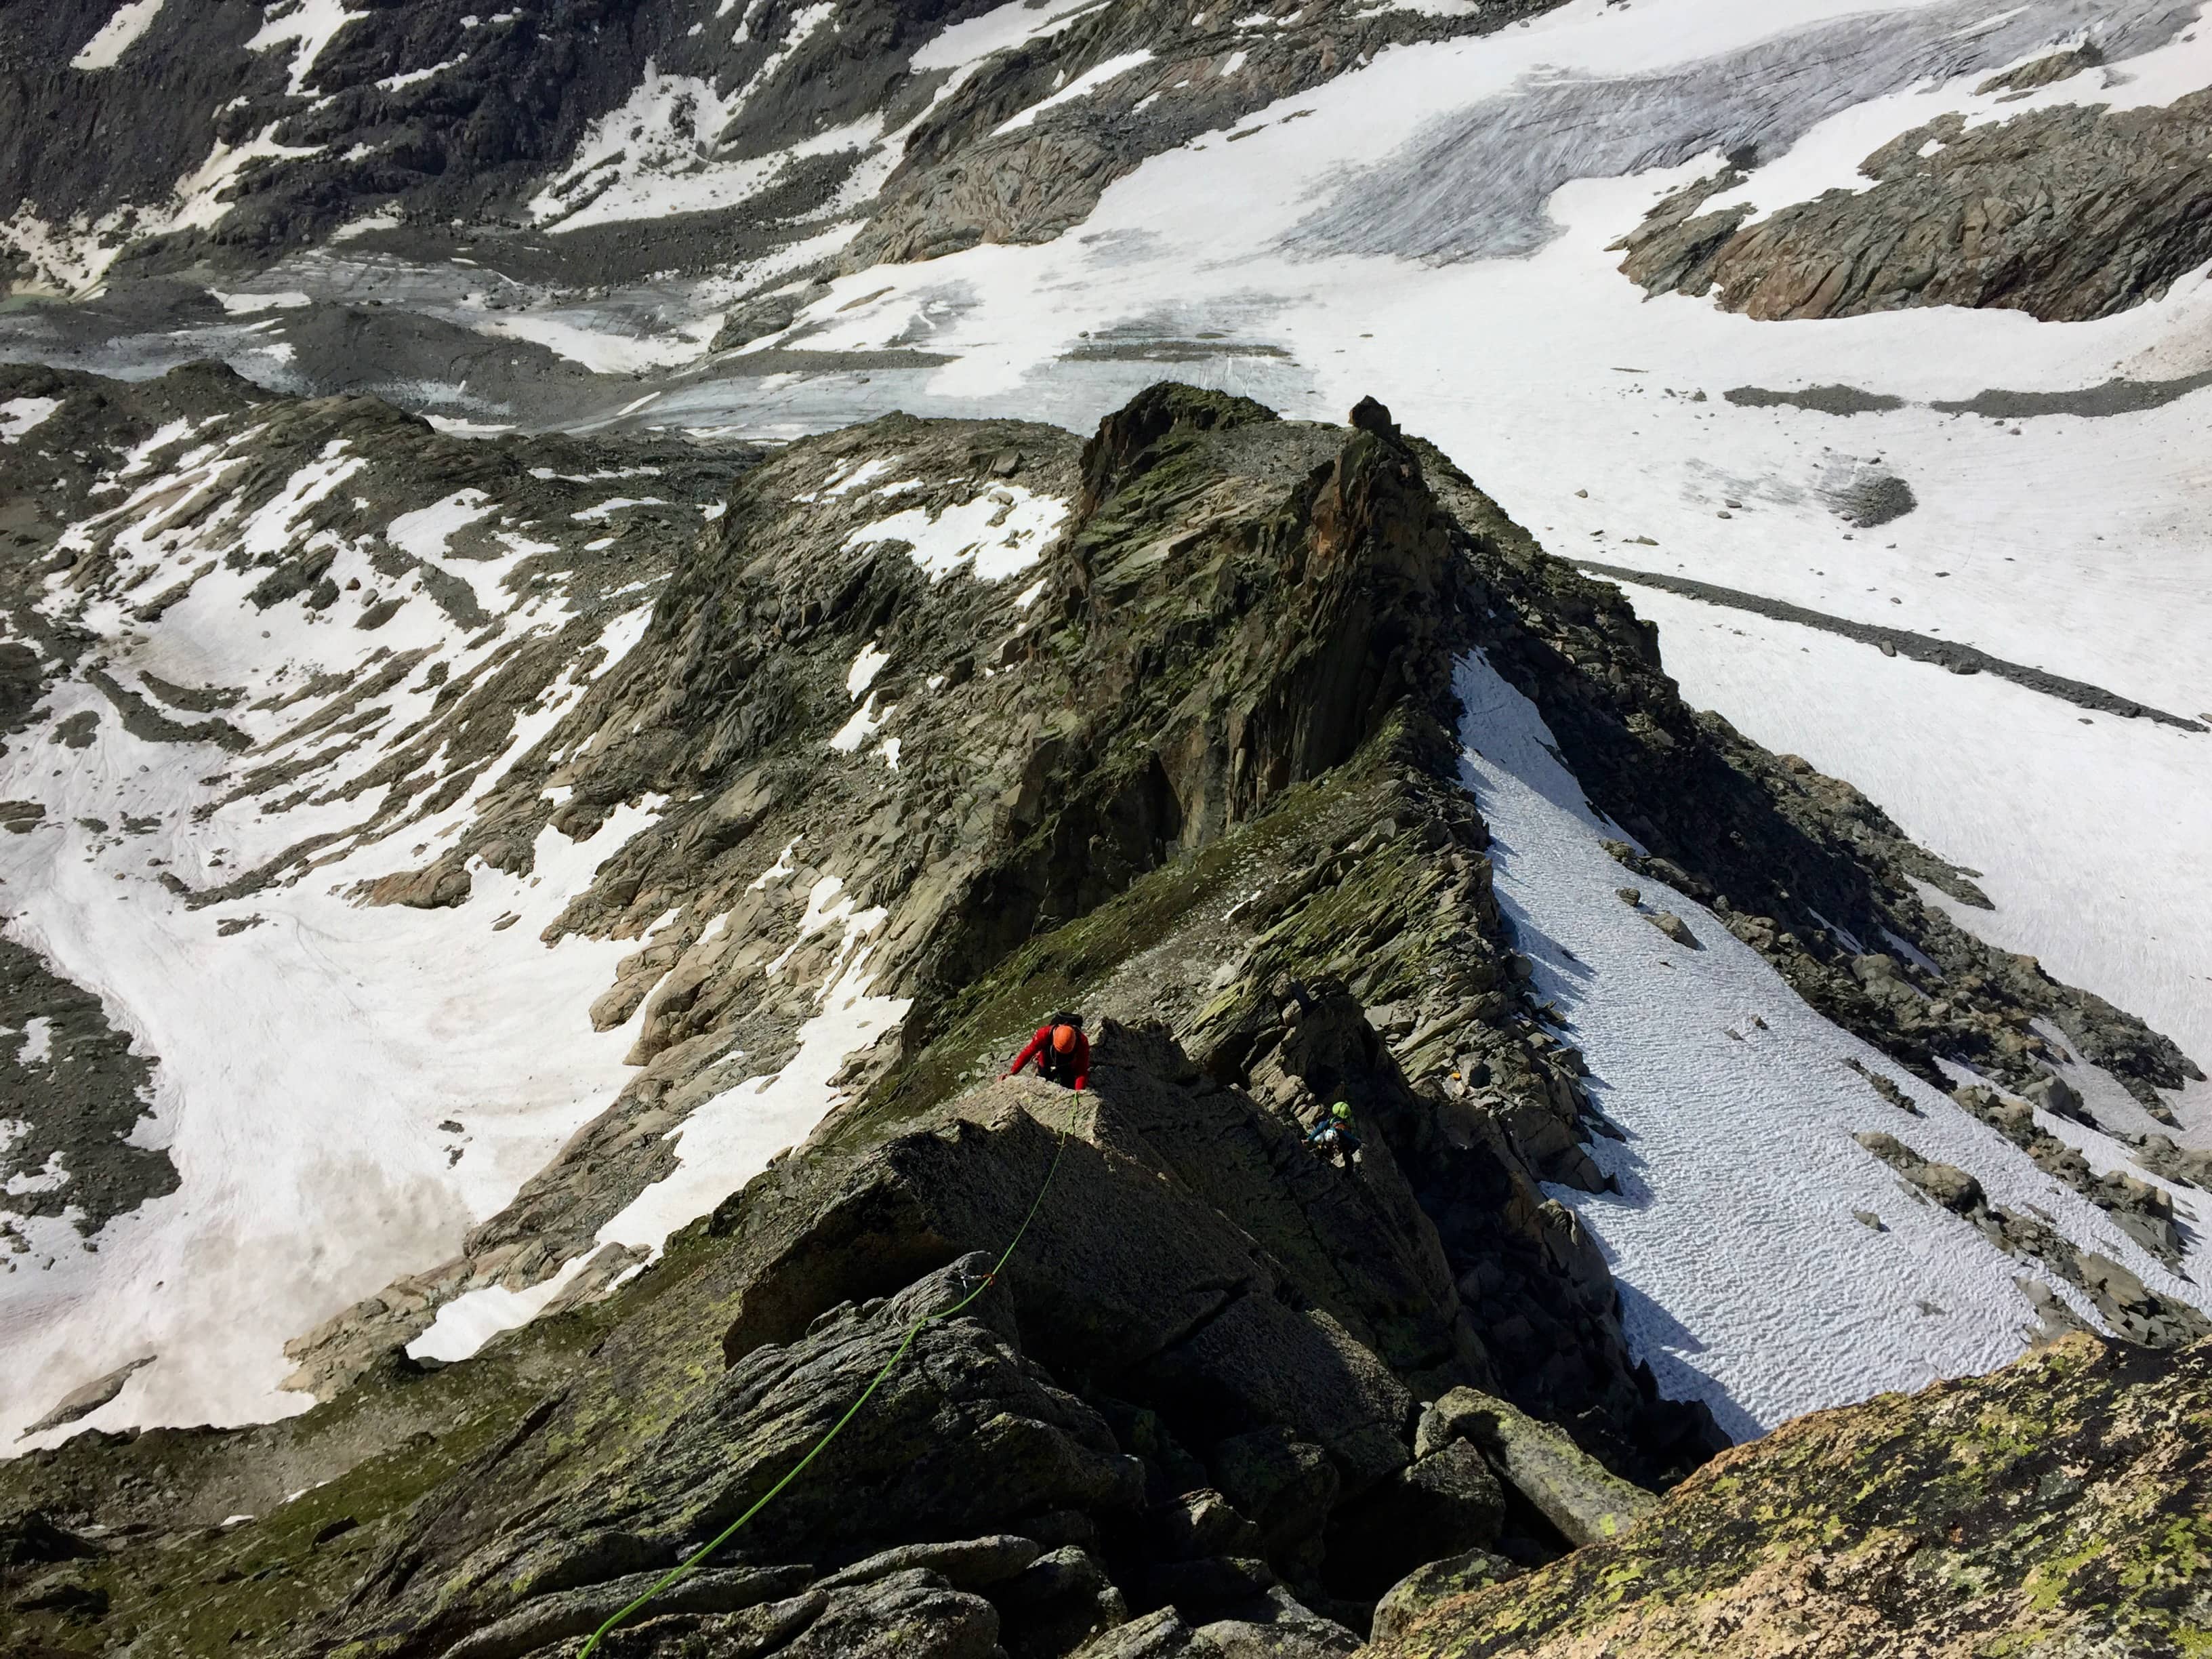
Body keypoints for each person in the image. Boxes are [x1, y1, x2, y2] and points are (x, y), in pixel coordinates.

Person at [1007, 1017, 1089, 1091]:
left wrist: (1079, 1091)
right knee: (1042, 1085)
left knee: (1068, 1083)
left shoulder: (1082, 1041)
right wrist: (1013, 1072)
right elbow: (1028, 1052)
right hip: (1046, 1062)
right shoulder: (1043, 1034)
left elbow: (1082, 1070)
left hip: (1068, 1065)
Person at [1307, 1101, 1361, 1166]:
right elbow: (1320, 1128)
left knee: (1347, 1156)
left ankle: (1347, 1174)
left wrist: (1351, 1151)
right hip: (1333, 1135)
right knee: (1318, 1139)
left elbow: (1357, 1142)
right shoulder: (1331, 1122)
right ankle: (1318, 1153)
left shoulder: (1345, 1134)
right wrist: (1309, 1139)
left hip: (1344, 1141)